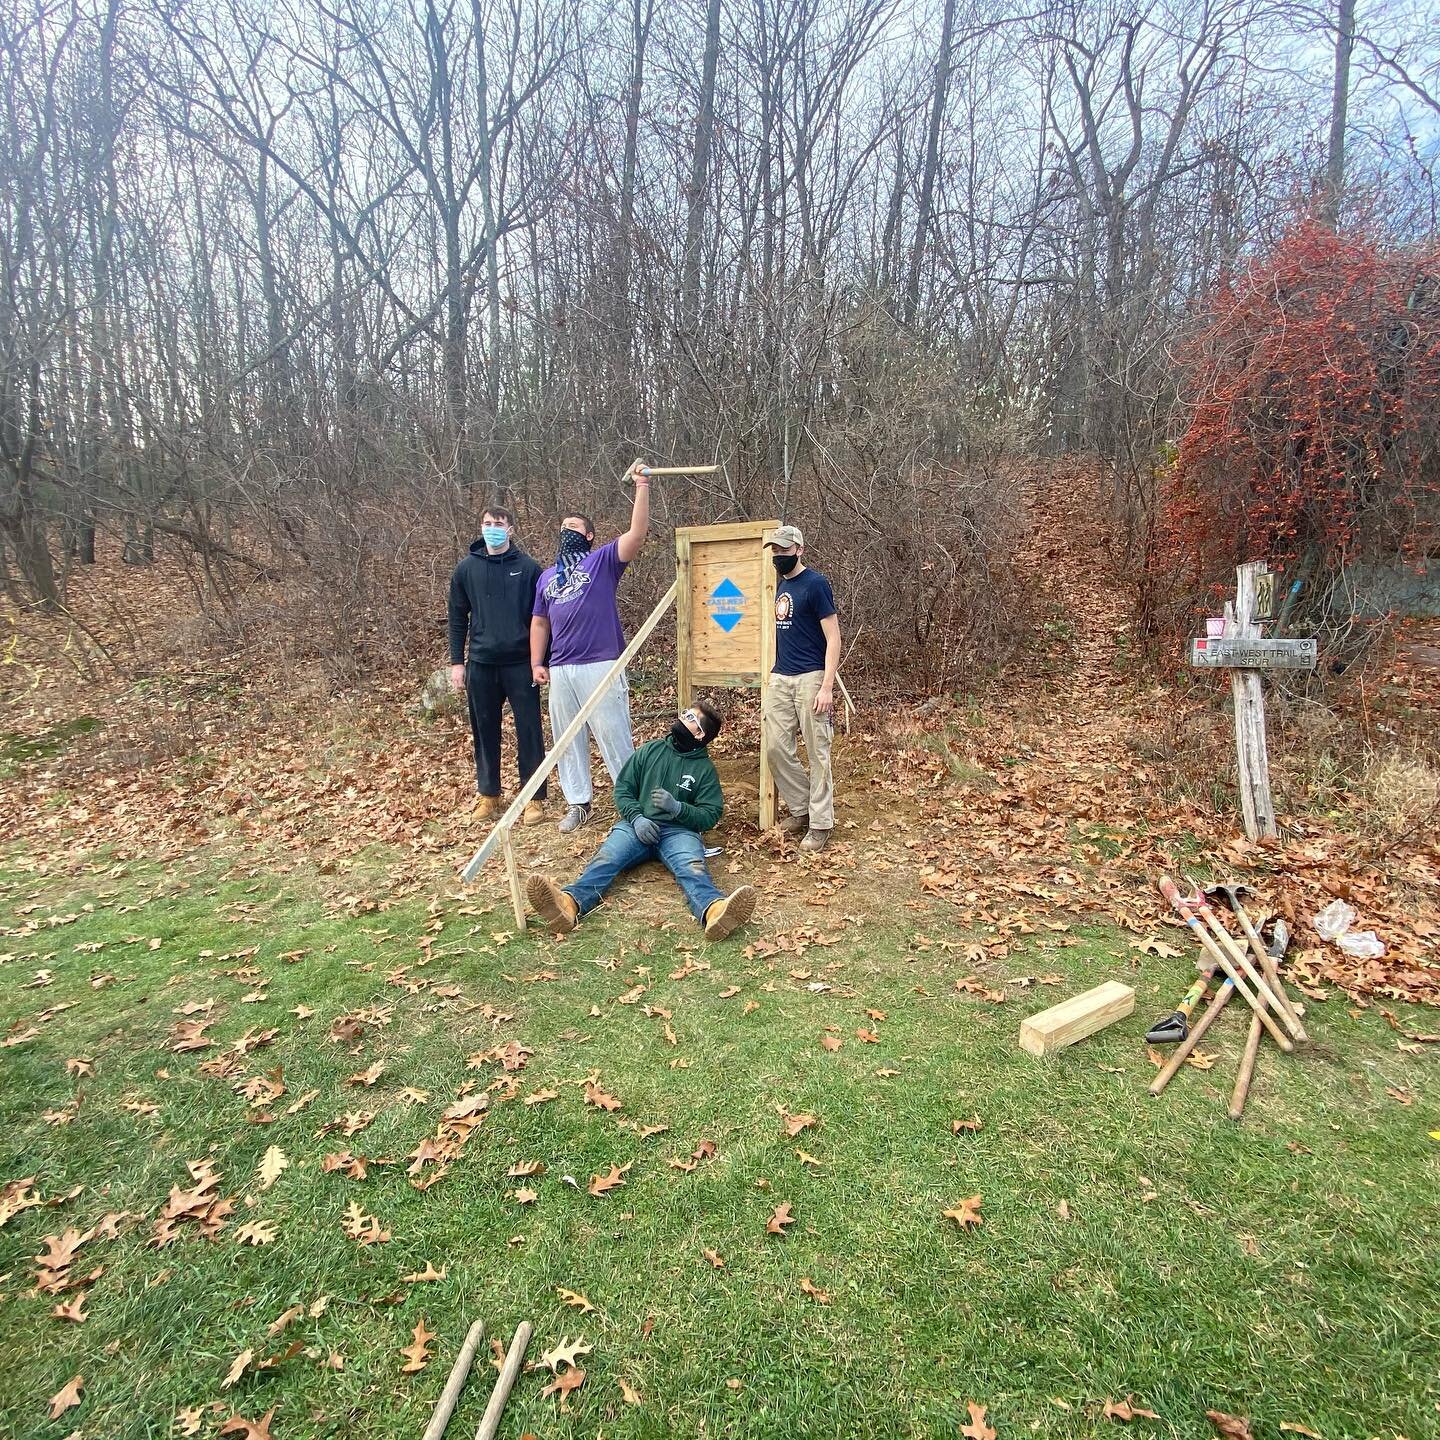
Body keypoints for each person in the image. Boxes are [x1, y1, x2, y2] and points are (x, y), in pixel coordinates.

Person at [526, 702, 757, 941]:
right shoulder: (651, 750)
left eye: (690, 718)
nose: (682, 717)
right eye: (685, 713)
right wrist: (636, 817)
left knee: (693, 869)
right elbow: (623, 788)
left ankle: (714, 911)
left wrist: (679, 808)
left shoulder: (704, 769)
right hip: (637, 826)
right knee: (607, 859)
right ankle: (568, 904)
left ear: (699, 734)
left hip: (680, 833)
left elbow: (710, 813)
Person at [530, 461, 651, 834]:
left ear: (589, 536)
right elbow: (539, 621)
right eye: (562, 526)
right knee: (566, 739)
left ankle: (632, 803)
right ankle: (578, 802)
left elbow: (636, 535)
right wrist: (537, 661)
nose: (566, 531)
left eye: (574, 527)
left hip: (601, 663)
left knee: (614, 733)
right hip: (561, 668)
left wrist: (641, 486)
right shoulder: (547, 577)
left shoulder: (601, 562)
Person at [447, 505, 546, 824]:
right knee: (484, 730)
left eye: (498, 523)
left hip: (521, 664)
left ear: (510, 529)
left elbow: (541, 618)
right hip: (481, 663)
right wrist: (457, 662)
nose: (492, 528)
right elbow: (457, 618)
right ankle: (489, 795)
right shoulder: (466, 569)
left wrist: (540, 661)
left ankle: (533, 797)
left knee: (529, 730)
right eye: (487, 523)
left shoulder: (529, 568)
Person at [762, 524, 840, 852]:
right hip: (780, 677)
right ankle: (802, 808)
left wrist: (826, 686)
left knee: (817, 752)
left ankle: (821, 823)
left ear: (799, 550)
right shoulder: (780, 586)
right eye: (775, 551)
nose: (779, 555)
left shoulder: (816, 584)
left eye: (784, 550)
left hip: (810, 677)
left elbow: (833, 637)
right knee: (775, 748)